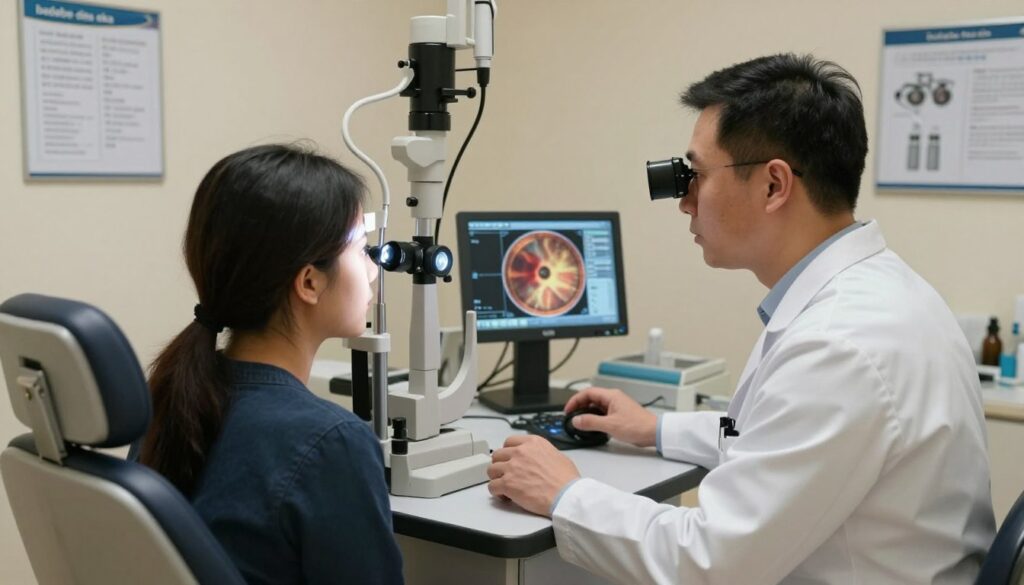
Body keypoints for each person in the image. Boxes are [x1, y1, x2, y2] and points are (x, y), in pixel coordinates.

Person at [486, 54, 995, 584]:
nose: (684, 201)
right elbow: (778, 440)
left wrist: (565, 492)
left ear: (774, 185)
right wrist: (656, 428)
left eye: (695, 176)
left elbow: (709, 562)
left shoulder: (842, 344)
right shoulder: (880, 294)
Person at [134, 144, 403, 584]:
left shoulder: (169, 399)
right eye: (361, 249)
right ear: (310, 282)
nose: (374, 270)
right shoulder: (332, 443)